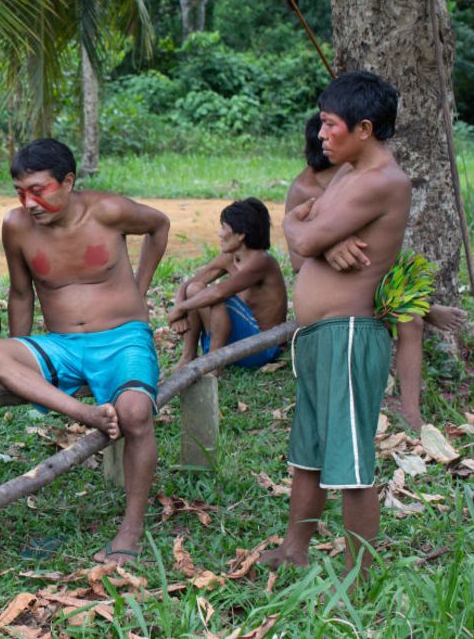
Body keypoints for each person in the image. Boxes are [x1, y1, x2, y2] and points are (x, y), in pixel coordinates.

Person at [0, 138, 169, 565]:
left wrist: (139, 289)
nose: (29, 202)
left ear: (68, 181)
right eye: (20, 192)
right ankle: (84, 413)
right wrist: (16, 349)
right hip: (62, 346)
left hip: (122, 338)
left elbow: (159, 225)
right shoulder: (17, 227)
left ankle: (131, 530)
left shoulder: (108, 211)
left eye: (39, 190)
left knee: (136, 412)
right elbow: (22, 294)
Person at [261, 71, 411, 576]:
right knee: (308, 454)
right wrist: (320, 234)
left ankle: (358, 574)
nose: (320, 135)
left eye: (329, 125)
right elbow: (312, 236)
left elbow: (300, 239)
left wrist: (298, 226)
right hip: (319, 336)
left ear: (363, 128)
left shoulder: (381, 181)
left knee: (349, 465)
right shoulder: (346, 173)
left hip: (349, 334)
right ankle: (294, 549)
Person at [286, 114, 464, 430]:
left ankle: (411, 411)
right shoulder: (304, 188)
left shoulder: (355, 173)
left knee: (411, 320)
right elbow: (301, 254)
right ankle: (423, 306)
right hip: (337, 283)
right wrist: (327, 245)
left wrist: (328, 237)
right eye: (324, 136)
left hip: (373, 273)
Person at [169, 197, 287, 369]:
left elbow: (219, 293)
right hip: (233, 347)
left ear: (240, 234)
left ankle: (214, 368)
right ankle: (188, 358)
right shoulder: (228, 259)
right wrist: (179, 310)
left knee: (216, 296)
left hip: (261, 349)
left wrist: (181, 308)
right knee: (195, 289)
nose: (219, 233)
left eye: (223, 227)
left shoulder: (262, 262)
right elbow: (188, 285)